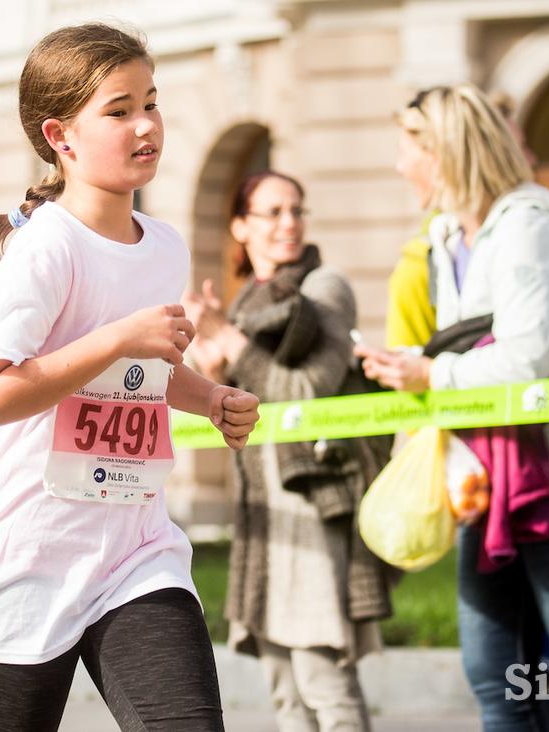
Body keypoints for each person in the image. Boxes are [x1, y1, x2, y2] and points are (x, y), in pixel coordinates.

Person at [0, 23, 259, 732]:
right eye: (119, 109)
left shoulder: (163, 245)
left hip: (134, 552)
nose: (146, 125)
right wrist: (116, 339)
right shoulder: (43, 251)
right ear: (60, 136)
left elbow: (142, 372)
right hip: (24, 558)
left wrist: (210, 398)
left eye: (151, 102)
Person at [357, 85, 549, 730]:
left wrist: (429, 371)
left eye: (407, 149)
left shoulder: (529, 227)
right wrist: (412, 363)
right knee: (498, 677)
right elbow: (479, 345)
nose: (397, 165)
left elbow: (526, 357)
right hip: (489, 486)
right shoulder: (448, 238)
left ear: (445, 153)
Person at [183, 170, 398, 732]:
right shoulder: (249, 302)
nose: (290, 224)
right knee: (284, 691)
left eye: (297, 210)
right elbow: (250, 399)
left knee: (324, 680)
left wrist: (227, 341)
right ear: (241, 226)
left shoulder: (325, 288)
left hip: (312, 502)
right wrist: (213, 369)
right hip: (262, 508)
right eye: (273, 212)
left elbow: (304, 391)